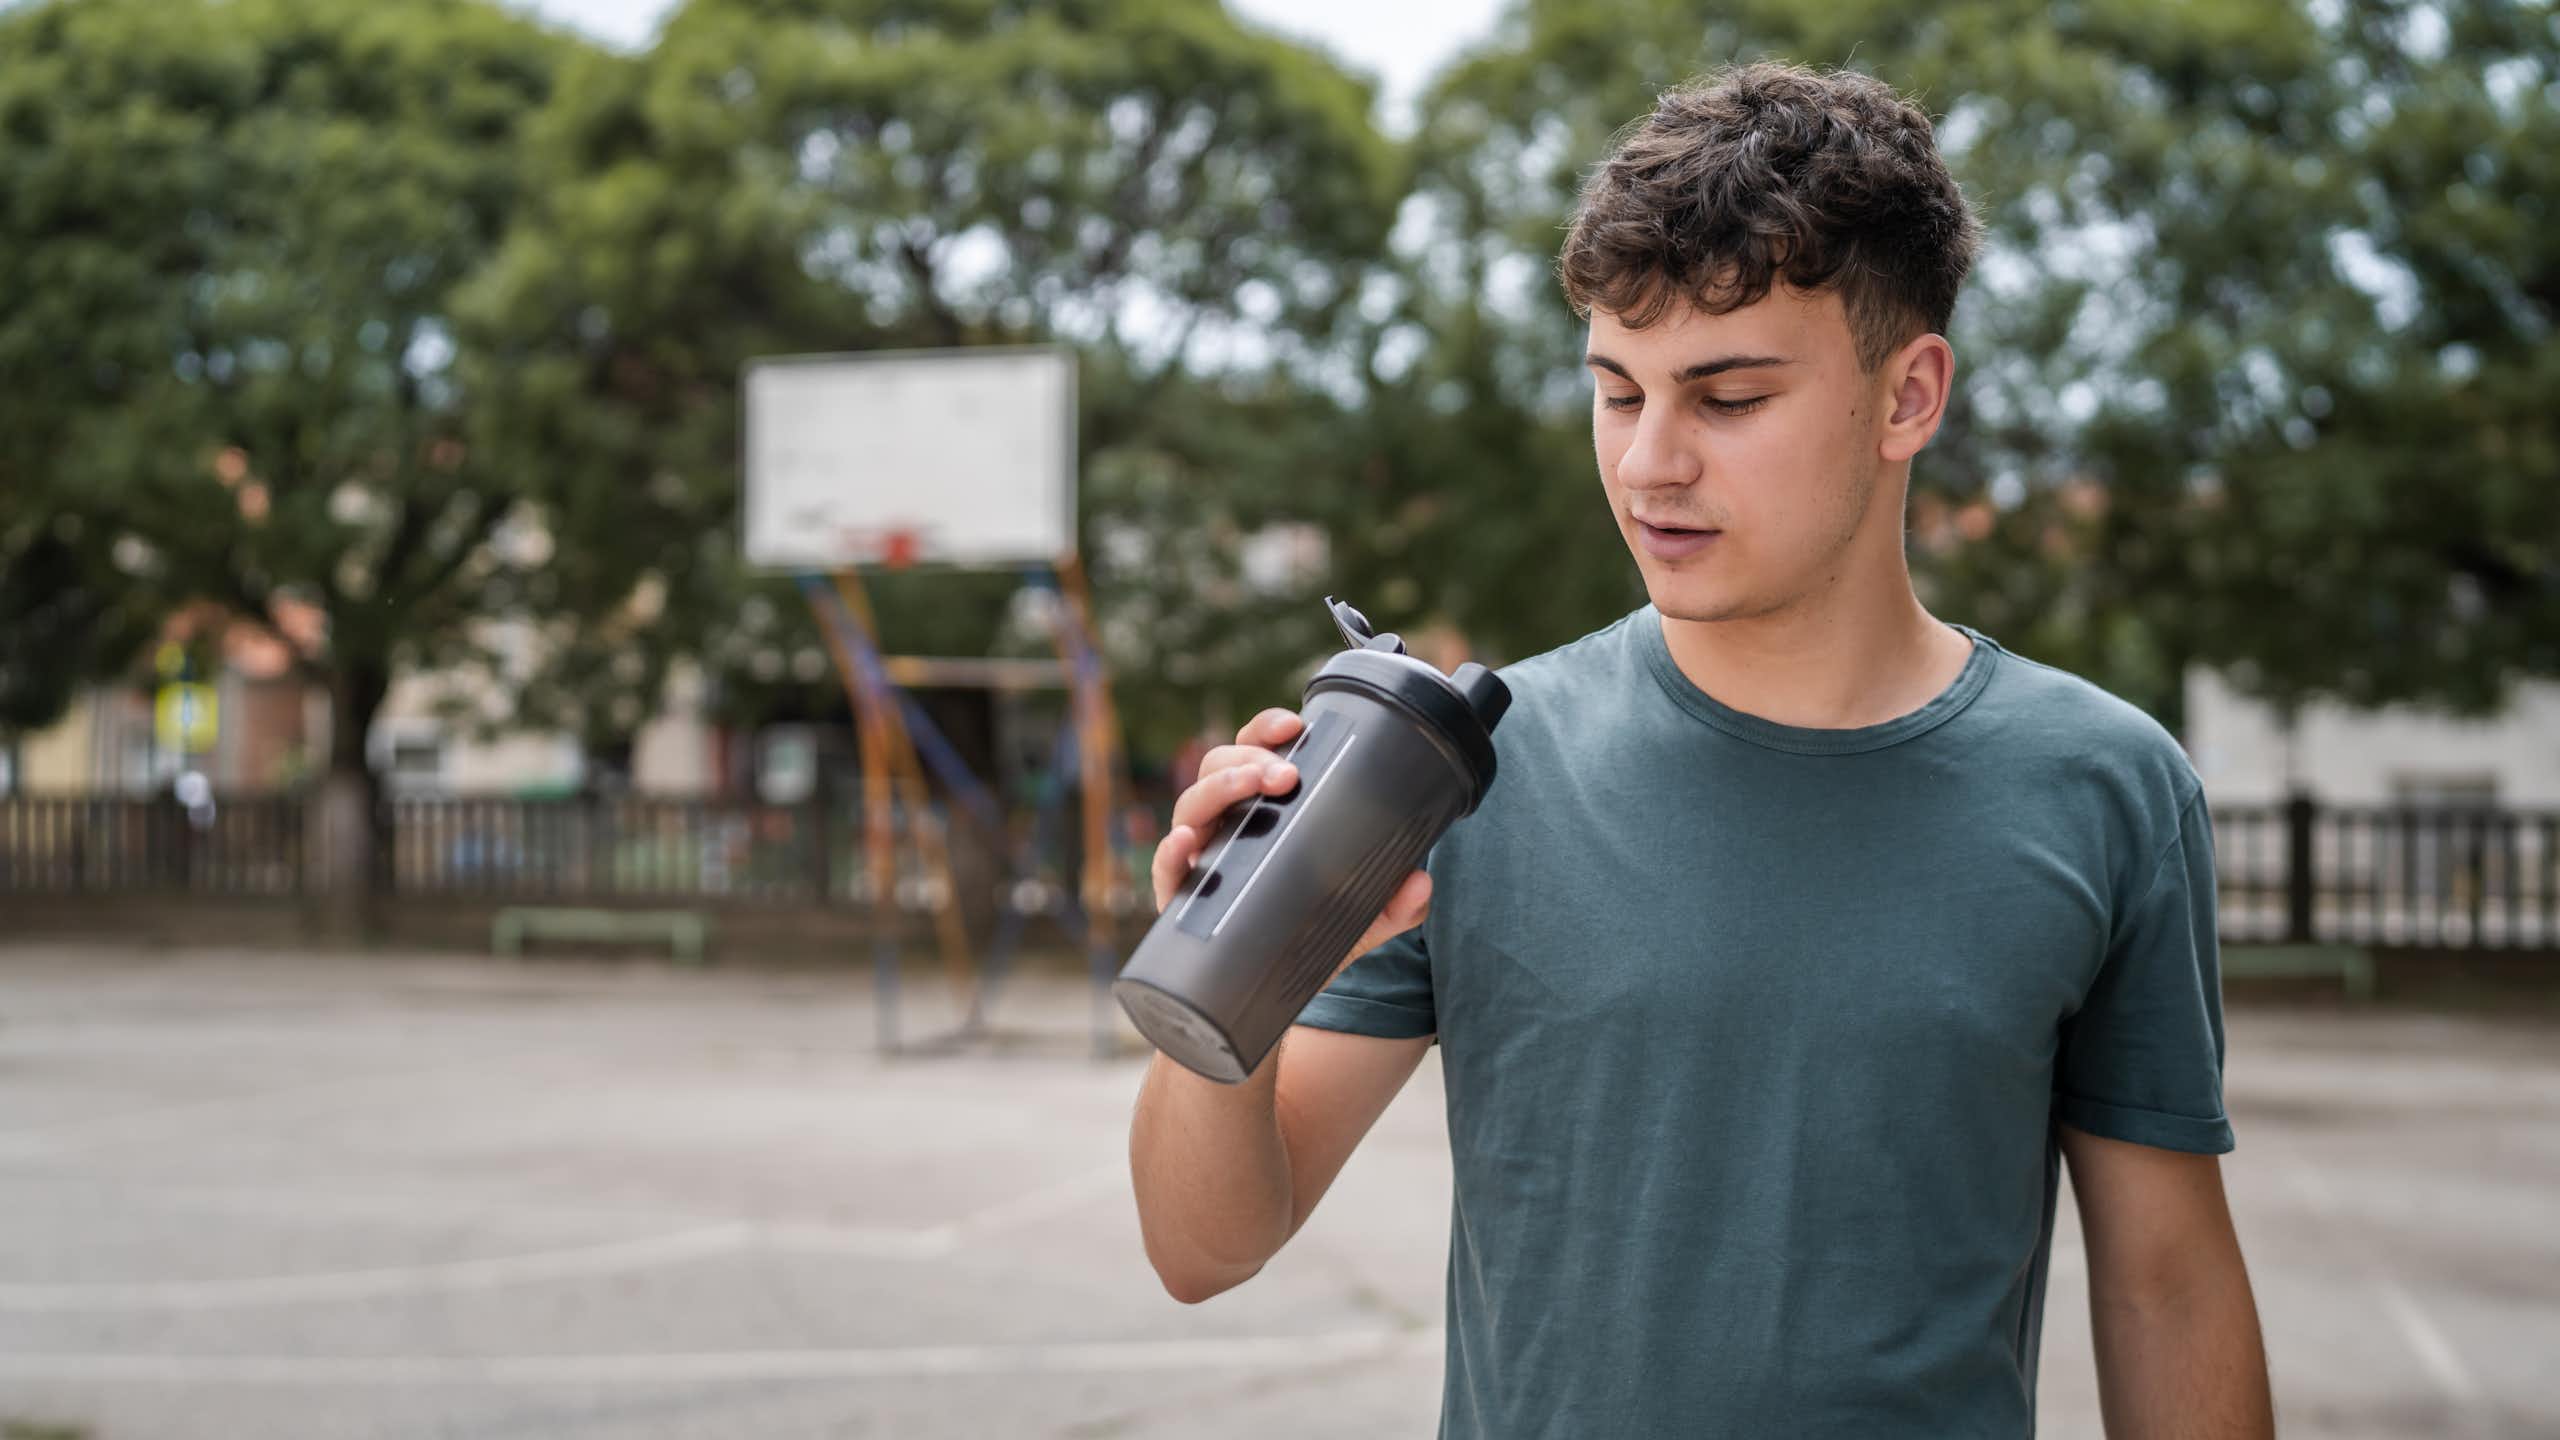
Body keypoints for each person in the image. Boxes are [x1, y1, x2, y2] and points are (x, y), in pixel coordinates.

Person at [1127, 61, 2273, 1438]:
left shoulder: (2107, 789)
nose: (1649, 465)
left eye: (1727, 401)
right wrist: (1216, 961)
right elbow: (1206, 1248)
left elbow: (2167, 1289)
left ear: (1909, 398)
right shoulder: (1467, 776)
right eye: (1619, 393)